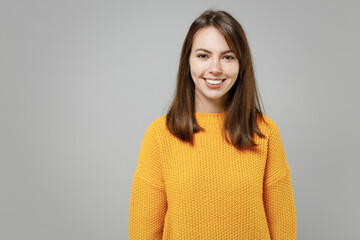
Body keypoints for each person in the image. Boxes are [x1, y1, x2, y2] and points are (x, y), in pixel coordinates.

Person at [129, 9, 296, 239]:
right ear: (187, 61)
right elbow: (143, 232)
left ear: (241, 64)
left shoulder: (265, 132)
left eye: (228, 56)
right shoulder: (160, 134)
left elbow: (284, 231)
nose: (215, 68)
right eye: (203, 55)